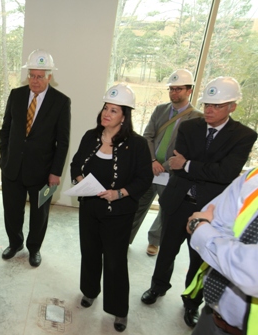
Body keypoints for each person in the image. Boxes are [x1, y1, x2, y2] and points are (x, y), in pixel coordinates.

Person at [141, 76, 257, 329]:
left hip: (209, 211)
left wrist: (190, 164)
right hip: (177, 200)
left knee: (199, 259)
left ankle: (191, 303)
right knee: (167, 250)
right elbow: (176, 167)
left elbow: (226, 174)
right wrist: (200, 168)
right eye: (207, 105)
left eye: (217, 106)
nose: (209, 110)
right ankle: (157, 287)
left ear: (232, 107)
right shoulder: (189, 126)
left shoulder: (244, 136)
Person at [70, 83, 152, 332]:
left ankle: (118, 310)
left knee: (115, 262)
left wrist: (120, 193)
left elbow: (144, 179)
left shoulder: (136, 144)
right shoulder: (90, 136)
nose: (107, 113)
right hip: (90, 208)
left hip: (119, 213)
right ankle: (90, 291)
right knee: (90, 252)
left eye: (114, 110)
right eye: (106, 107)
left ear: (124, 116)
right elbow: (75, 163)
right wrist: (79, 180)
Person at [0, 49, 71, 267]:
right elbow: (5, 130)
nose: (35, 80)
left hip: (42, 173)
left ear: (49, 77)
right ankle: (15, 243)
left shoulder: (61, 102)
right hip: (12, 168)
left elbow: (63, 141)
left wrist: (55, 172)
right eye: (32, 75)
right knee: (12, 211)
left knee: (39, 215)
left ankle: (34, 248)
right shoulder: (16, 95)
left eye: (40, 76)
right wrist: (4, 158)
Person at [129, 69, 202, 256]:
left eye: (179, 89)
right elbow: (148, 136)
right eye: (171, 89)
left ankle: (154, 241)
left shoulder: (197, 118)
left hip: (172, 173)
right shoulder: (160, 110)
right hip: (150, 168)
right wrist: (152, 160)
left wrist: (166, 166)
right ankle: (126, 237)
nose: (174, 93)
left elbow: (191, 149)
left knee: (165, 210)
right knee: (138, 204)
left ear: (189, 91)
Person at [184, 167, 258, 335]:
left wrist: (203, 230)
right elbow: (207, 215)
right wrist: (206, 228)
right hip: (212, 315)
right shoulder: (253, 177)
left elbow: (252, 273)